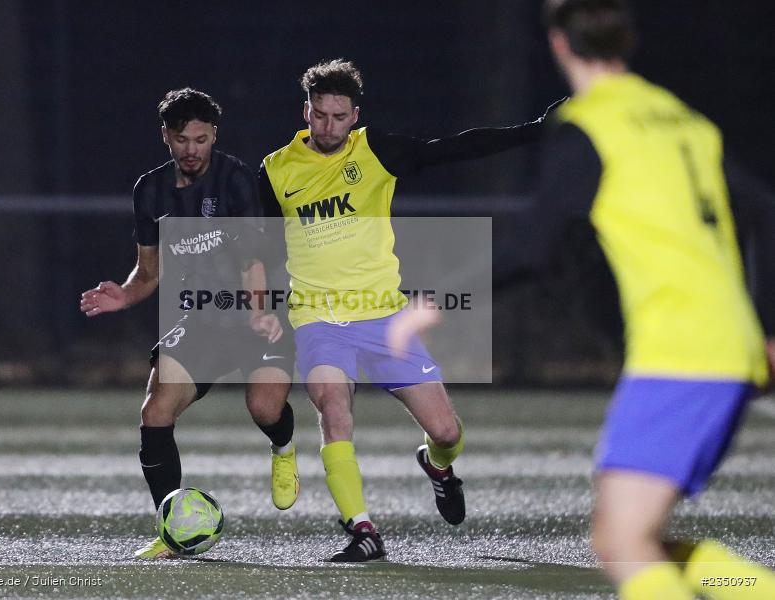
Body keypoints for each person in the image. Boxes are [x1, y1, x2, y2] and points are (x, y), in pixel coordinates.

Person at [394, 1, 775, 596]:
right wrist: (767, 327)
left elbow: (535, 243)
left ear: (559, 45)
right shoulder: (681, 119)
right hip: (732, 346)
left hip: (681, 353)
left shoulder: (589, 126)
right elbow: (766, 215)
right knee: (634, 538)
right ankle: (757, 589)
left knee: (622, 542)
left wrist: (435, 299)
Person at [259, 59, 562, 562]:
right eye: (319, 115)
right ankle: (363, 531)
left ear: (355, 114)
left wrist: (533, 132)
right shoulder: (275, 169)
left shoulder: (376, 150)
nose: (328, 126)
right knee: (334, 410)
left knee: (447, 432)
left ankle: (438, 467)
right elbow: (261, 247)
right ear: (305, 111)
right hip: (317, 318)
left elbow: (454, 149)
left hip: (383, 318)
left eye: (339, 116)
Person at [80, 88, 300, 560]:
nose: (192, 149)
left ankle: (283, 448)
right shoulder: (150, 190)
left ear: (214, 135)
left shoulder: (237, 179)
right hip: (198, 317)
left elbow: (252, 261)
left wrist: (260, 311)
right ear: (166, 137)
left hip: (257, 311)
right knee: (155, 413)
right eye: (182, 139)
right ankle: (171, 525)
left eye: (201, 139)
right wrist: (125, 294)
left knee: (264, 409)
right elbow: (149, 273)